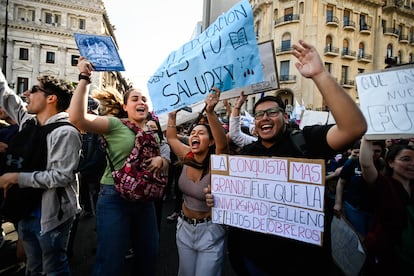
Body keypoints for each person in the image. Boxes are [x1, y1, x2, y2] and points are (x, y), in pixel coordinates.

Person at [205, 39, 367, 275]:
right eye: (259, 114)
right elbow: (228, 175)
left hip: (300, 264)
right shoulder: (248, 154)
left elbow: (354, 127)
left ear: (285, 117)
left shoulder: (307, 142)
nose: (265, 118)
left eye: (272, 112)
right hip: (253, 259)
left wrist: (320, 74)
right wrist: (217, 197)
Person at [69, 57, 169, 276]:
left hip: (145, 201)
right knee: (111, 260)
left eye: (144, 99)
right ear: (125, 106)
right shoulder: (115, 125)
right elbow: (77, 118)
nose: (141, 101)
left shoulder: (152, 132)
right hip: (115, 198)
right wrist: (84, 78)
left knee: (148, 255)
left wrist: (163, 161)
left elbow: (162, 160)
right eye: (135, 99)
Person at [0, 72, 82, 275]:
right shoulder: (29, 122)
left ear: (51, 98)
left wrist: (16, 178)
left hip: (51, 217)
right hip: (26, 212)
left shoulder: (66, 132)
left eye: (35, 89)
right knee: (33, 266)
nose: (27, 93)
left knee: (54, 267)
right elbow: (7, 95)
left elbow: (61, 176)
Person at [166, 88, 229, 276]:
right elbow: (170, 137)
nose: (194, 135)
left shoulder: (218, 162)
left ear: (210, 142)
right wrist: (171, 117)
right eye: (193, 132)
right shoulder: (186, 156)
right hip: (184, 228)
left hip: (210, 231)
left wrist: (209, 112)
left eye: (201, 133)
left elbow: (223, 144)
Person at [360, 136, 414, 275]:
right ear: (390, 162)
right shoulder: (384, 184)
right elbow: (366, 164)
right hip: (387, 253)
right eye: (406, 159)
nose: (412, 164)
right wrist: (368, 135)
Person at [334, 139, 386, 237]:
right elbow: (341, 182)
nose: (373, 154)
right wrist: (338, 203)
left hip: (373, 210)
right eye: (371, 150)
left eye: (377, 151)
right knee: (357, 237)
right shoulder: (352, 162)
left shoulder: (382, 165)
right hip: (353, 208)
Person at [146, 112, 171, 232]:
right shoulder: (138, 144)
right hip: (141, 187)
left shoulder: (164, 146)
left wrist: (159, 159)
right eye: (148, 128)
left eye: (154, 129)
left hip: (156, 187)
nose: (150, 131)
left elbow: (166, 165)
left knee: (154, 217)